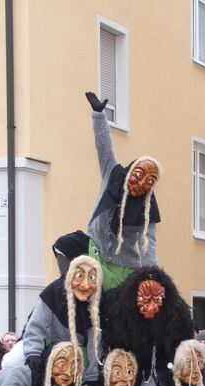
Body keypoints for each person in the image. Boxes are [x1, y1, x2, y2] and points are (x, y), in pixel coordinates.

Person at [82, 92, 161, 282]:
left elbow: (148, 244)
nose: (141, 184)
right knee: (64, 244)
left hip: (123, 266)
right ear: (130, 171)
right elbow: (104, 147)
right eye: (139, 175)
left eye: (149, 182)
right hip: (94, 250)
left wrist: (153, 277)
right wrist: (99, 115)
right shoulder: (113, 173)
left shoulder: (147, 207)